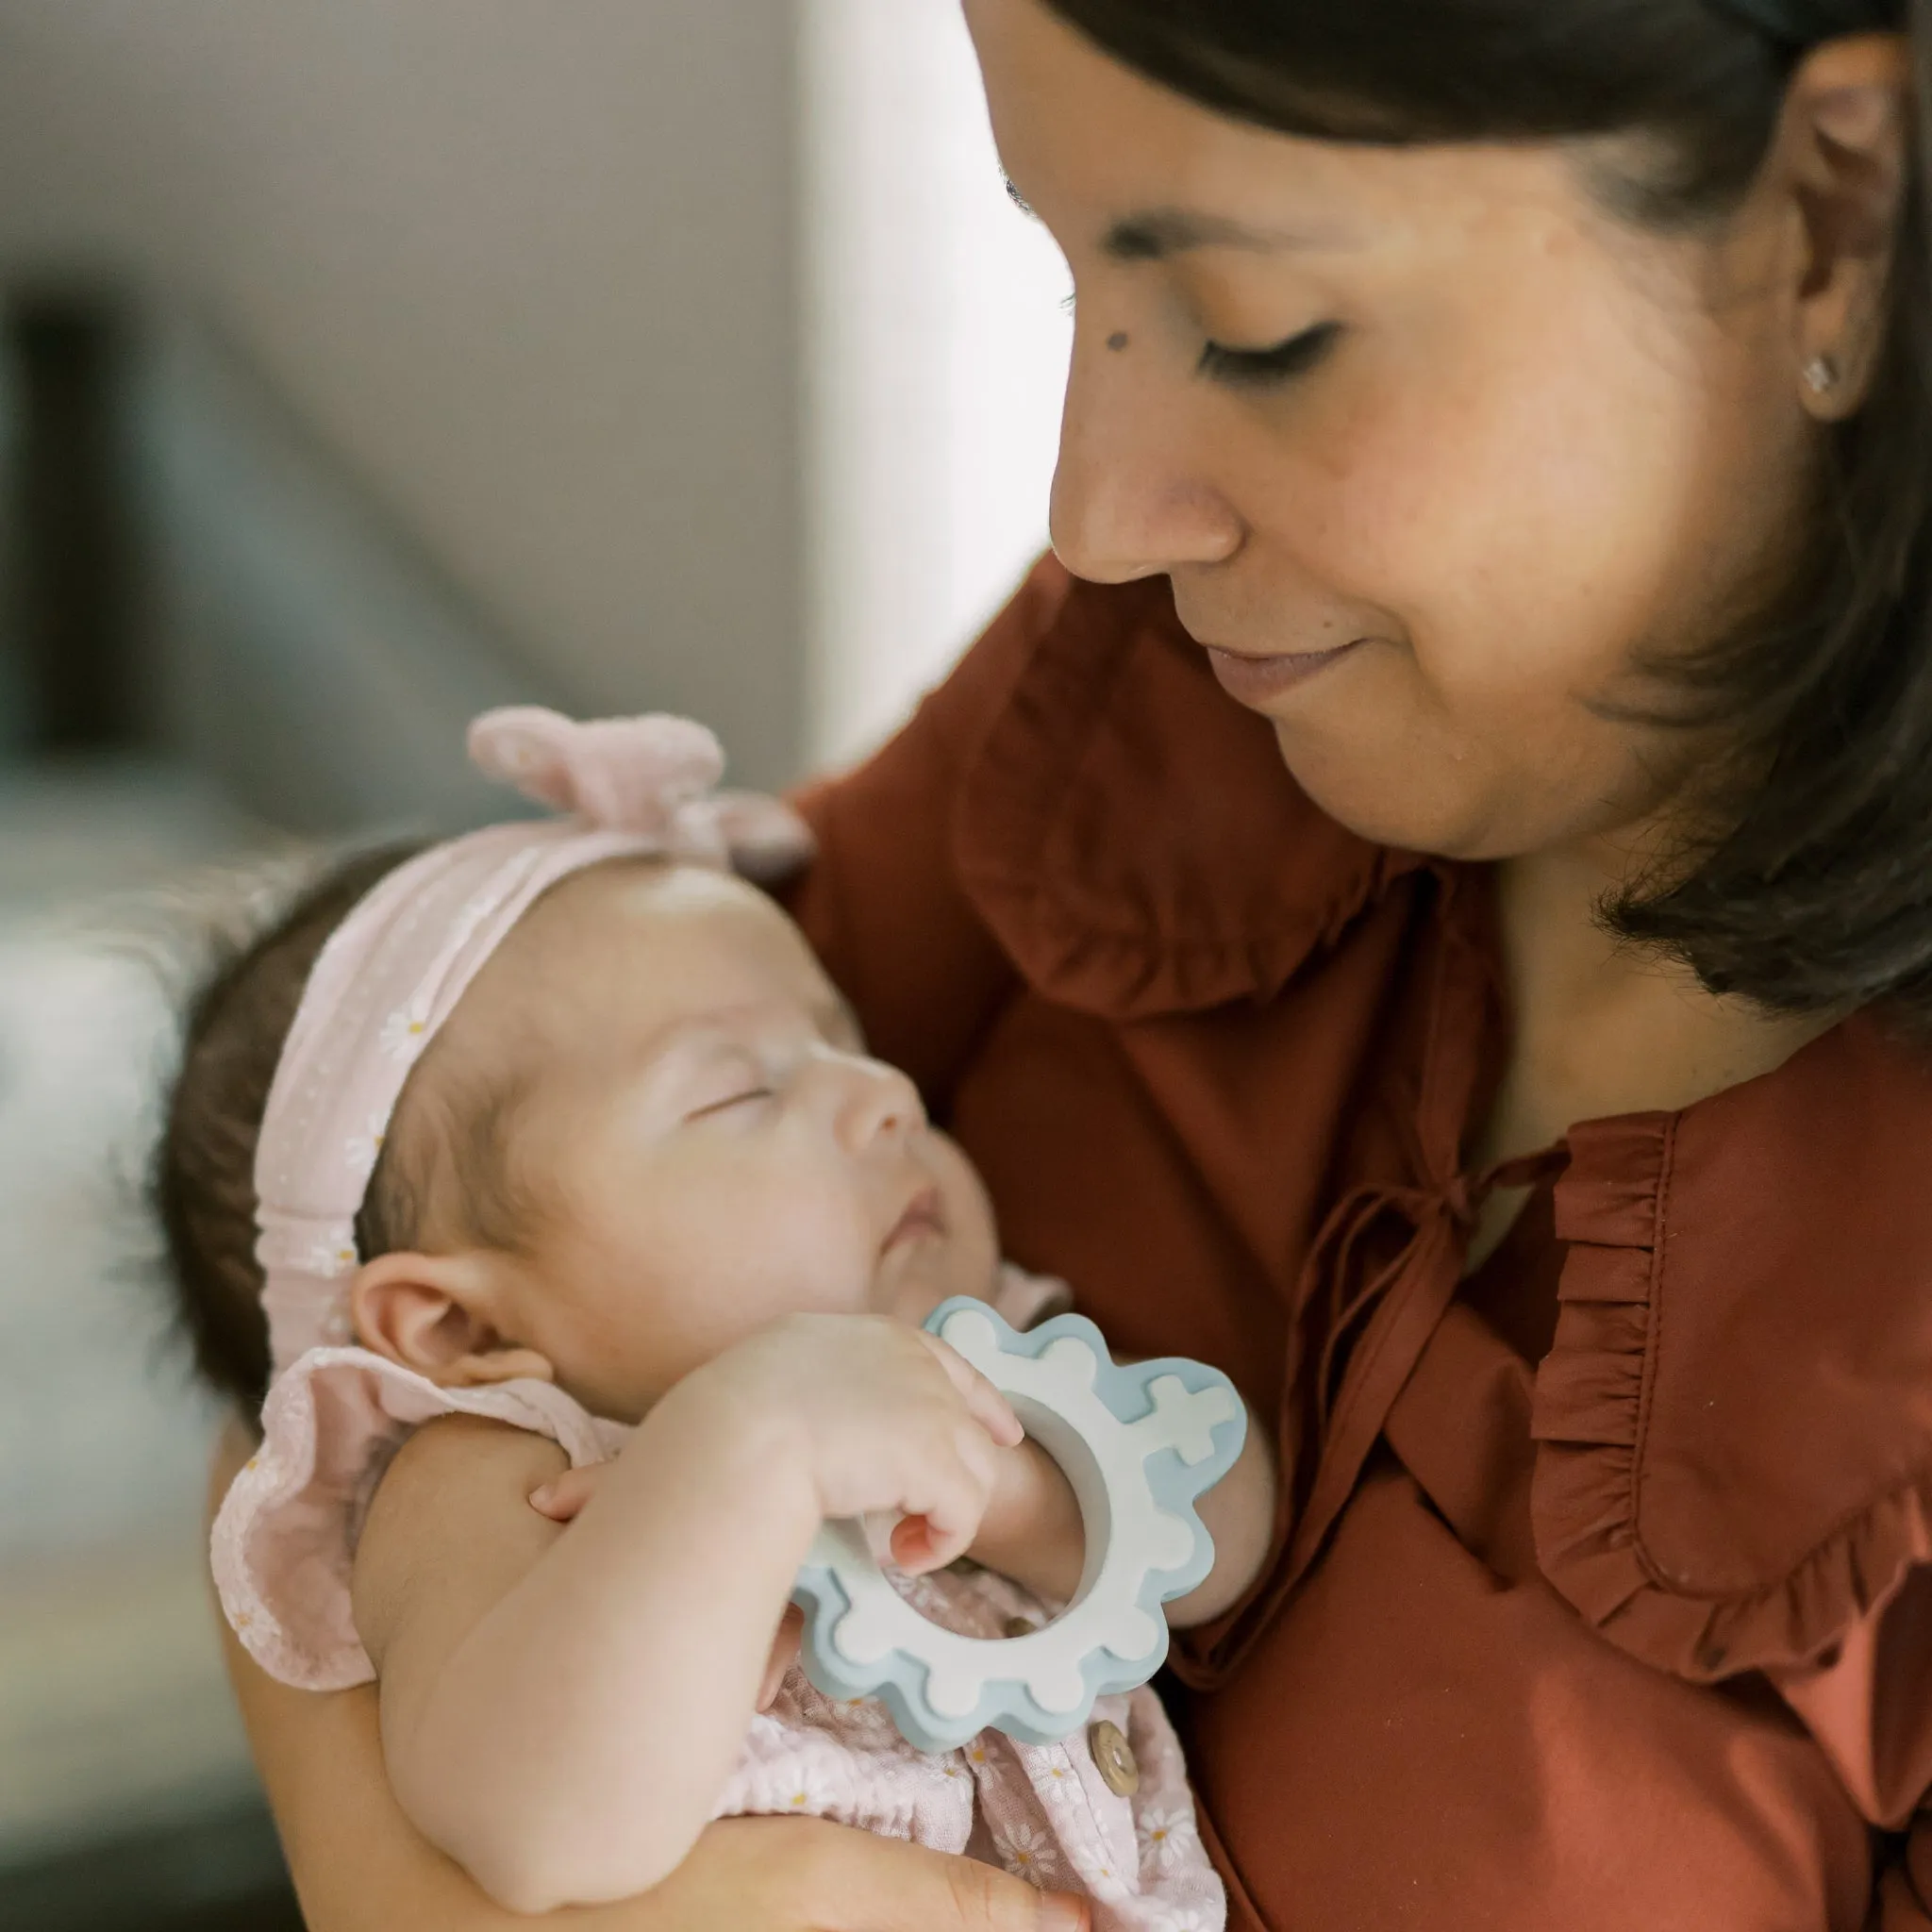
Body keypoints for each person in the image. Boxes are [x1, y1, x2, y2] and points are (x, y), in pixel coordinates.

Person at [203, 0, 1932, 1925]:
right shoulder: (1176, 683)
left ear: (1829, 218)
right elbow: (353, 1222)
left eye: (1259, 326)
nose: (1097, 515)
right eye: (1075, 280)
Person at [171, 708, 1255, 1928]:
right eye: (742, 1092)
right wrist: (750, 1448)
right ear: (457, 1332)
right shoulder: (485, 1478)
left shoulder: (966, 1345)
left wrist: (1014, 1491)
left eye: (850, 1045)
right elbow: (544, 1829)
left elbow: (1235, 1534)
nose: (886, 1095)